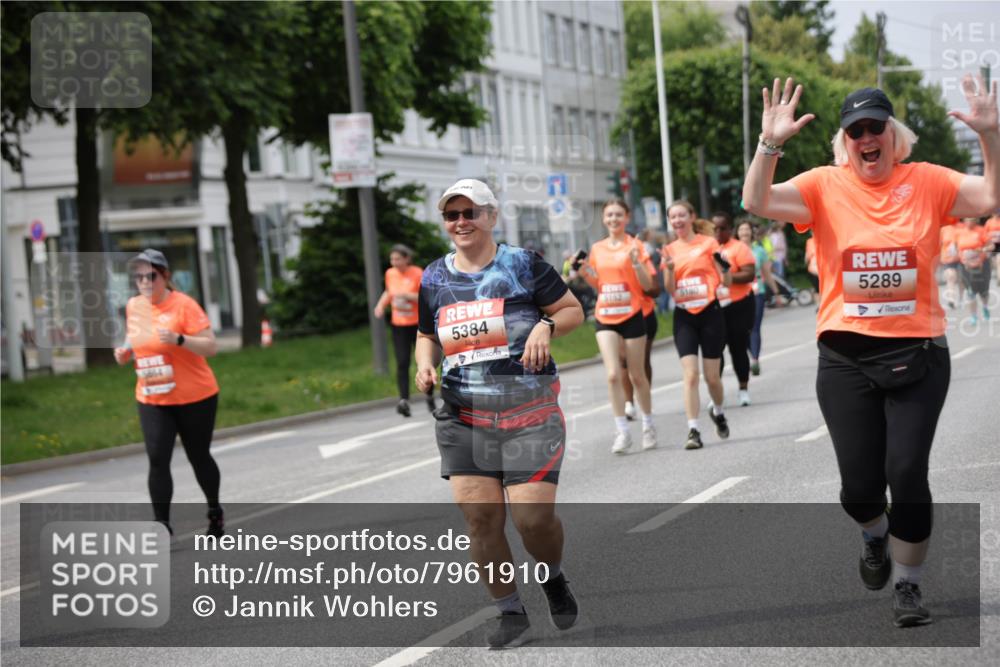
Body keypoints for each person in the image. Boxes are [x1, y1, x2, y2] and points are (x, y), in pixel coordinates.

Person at [743, 75, 998, 627]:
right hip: (845, 359)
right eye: (855, 130)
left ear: (891, 133)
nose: (866, 138)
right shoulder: (822, 185)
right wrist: (769, 144)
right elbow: (756, 201)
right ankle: (875, 533)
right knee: (859, 490)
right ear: (845, 140)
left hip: (918, 353)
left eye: (874, 127)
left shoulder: (926, 181)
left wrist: (990, 134)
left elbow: (990, 196)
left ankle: (908, 585)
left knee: (906, 473)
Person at [414, 179, 585, 649]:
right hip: (463, 416)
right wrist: (425, 364)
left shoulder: (523, 264)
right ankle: (510, 613)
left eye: (470, 212)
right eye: (452, 215)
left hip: (529, 411)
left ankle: (551, 575)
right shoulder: (434, 277)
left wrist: (545, 326)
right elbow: (426, 334)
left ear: (491, 216)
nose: (461, 222)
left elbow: (572, 310)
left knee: (533, 521)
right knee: (481, 520)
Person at [113, 249, 224, 538]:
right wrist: (125, 351)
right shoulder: (134, 306)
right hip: (153, 396)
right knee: (157, 459)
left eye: (150, 276)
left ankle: (214, 511)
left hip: (195, 396)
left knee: (198, 456)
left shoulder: (184, 306)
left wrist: (179, 339)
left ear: (165, 276)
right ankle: (161, 524)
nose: (144, 282)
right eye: (138, 277)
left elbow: (211, 347)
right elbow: (133, 334)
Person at [576, 199, 658, 453]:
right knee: (612, 374)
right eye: (609, 215)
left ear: (627, 217)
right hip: (605, 315)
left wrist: (635, 262)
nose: (614, 219)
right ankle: (622, 431)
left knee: (637, 375)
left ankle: (648, 425)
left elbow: (647, 285)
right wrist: (583, 272)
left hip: (632, 314)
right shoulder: (597, 248)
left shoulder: (636, 246)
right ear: (604, 219)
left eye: (618, 215)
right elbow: (599, 283)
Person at [661, 200, 733, 450]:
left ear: (691, 217)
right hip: (684, 316)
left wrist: (725, 268)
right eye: (673, 217)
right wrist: (669, 270)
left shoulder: (709, 244)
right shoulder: (669, 250)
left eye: (681, 215)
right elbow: (669, 289)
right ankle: (693, 429)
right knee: (691, 375)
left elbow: (727, 281)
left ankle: (718, 411)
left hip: (710, 312)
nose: (677, 221)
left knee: (712, 378)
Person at [374, 244, 435, 417]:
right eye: (392, 259)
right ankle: (404, 400)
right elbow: (389, 292)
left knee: (423, 361)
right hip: (399, 324)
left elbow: (426, 297)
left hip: (418, 325)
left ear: (407, 259)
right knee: (402, 362)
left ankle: (429, 396)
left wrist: (408, 296)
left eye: (398, 259)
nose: (394, 262)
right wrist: (380, 305)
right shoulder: (390, 273)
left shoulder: (417, 273)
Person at [713, 212, 757, 406]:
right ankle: (716, 392)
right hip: (716, 305)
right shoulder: (707, 248)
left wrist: (728, 278)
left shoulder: (739, 248)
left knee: (738, 347)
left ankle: (743, 388)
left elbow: (749, 274)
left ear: (730, 229)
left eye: (722, 228)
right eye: (714, 228)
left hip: (739, 304)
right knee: (715, 350)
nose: (718, 232)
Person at [621, 228, 663, 421]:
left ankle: (645, 398)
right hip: (619, 316)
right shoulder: (608, 259)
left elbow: (655, 289)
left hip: (644, 314)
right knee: (623, 362)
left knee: (642, 361)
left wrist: (638, 278)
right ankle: (629, 403)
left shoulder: (641, 256)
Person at [737, 220, 782, 377]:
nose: (744, 232)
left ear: (752, 232)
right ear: (737, 233)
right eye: (741, 230)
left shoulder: (759, 251)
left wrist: (776, 292)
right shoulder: (732, 250)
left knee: (755, 327)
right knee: (741, 329)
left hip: (757, 293)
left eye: (747, 229)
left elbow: (767, 274)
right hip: (738, 295)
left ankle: (755, 359)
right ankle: (751, 355)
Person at [954, 217, 994, 323]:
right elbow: (955, 247)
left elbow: (991, 245)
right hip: (966, 265)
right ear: (964, 220)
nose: (970, 221)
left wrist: (982, 249)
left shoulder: (981, 230)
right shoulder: (959, 232)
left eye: (972, 219)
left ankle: (985, 307)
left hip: (982, 265)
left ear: (976, 220)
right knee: (971, 291)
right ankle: (973, 315)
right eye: (968, 219)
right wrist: (961, 257)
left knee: (983, 291)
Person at [938, 220, 962, 310]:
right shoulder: (944, 229)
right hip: (947, 258)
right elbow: (938, 244)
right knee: (951, 277)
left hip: (961, 258)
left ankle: (961, 297)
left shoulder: (962, 227)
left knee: (961, 279)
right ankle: (951, 299)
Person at [985, 212, 1000, 285]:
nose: (996, 213)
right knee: (991, 262)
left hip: (999, 245)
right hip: (991, 244)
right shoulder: (989, 222)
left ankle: (999, 278)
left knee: (999, 261)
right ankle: (989, 277)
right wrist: (992, 235)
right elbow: (985, 233)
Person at [804, 232, 820, 301]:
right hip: (817, 268)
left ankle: (818, 304)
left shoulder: (809, 241)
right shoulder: (812, 241)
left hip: (813, 268)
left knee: (817, 289)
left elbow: (807, 257)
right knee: (819, 288)